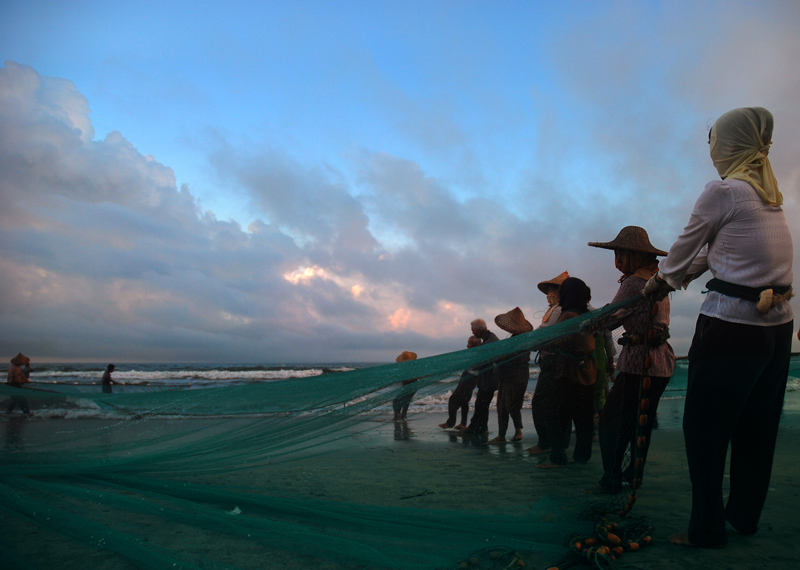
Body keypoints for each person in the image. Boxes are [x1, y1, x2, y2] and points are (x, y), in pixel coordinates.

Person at [643, 108, 793, 548]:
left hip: (731, 327)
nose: (711, 150)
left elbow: (685, 247)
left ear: (728, 144)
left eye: (713, 140)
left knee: (705, 430)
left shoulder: (723, 191)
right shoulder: (769, 197)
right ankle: (743, 517)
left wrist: (663, 280)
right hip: (777, 327)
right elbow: (723, 252)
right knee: (757, 426)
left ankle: (707, 531)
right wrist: (685, 274)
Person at [584, 226, 674, 491]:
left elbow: (611, 318)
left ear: (636, 255)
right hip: (662, 362)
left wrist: (585, 322)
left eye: (623, 254)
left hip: (639, 362)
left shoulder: (635, 283)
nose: (618, 260)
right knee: (640, 421)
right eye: (616, 254)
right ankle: (633, 473)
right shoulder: (657, 278)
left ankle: (610, 478)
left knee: (611, 422)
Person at [537, 278, 597, 468]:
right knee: (583, 417)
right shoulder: (585, 315)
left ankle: (557, 457)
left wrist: (536, 342)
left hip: (569, 372)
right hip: (588, 371)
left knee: (551, 412)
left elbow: (555, 340)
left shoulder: (568, 316)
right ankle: (581, 456)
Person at [527, 271, 569, 455]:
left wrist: (527, 342)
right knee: (555, 405)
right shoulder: (555, 310)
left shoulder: (560, 310)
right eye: (549, 291)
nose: (549, 294)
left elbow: (541, 333)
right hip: (551, 361)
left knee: (541, 404)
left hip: (553, 362)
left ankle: (547, 443)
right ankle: (553, 443)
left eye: (554, 290)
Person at [489, 307, 533, 444]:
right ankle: (518, 431)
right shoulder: (527, 340)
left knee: (502, 406)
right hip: (523, 377)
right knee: (515, 406)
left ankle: (501, 436)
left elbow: (505, 358)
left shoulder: (512, 342)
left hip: (509, 378)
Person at [462, 319, 500, 435]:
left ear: (479, 330)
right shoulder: (489, 338)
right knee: (481, 404)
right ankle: (481, 427)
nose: (472, 332)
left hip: (490, 380)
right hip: (488, 379)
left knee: (481, 404)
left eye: (473, 330)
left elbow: (485, 362)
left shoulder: (489, 342)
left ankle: (477, 428)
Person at [439, 336, 482, 429]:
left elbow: (476, 368)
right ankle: (463, 423)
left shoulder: (478, 354)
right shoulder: (475, 353)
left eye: (470, 344)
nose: (467, 346)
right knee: (464, 401)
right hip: (469, 377)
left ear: (476, 345)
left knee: (452, 399)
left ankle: (450, 423)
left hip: (470, 378)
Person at [392, 351, 419, 420]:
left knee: (396, 401)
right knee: (405, 401)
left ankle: (398, 416)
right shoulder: (413, 367)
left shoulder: (408, 368)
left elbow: (410, 379)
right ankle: (402, 416)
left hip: (411, 388)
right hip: (412, 388)